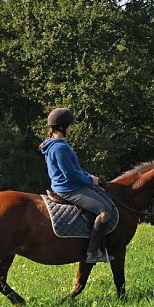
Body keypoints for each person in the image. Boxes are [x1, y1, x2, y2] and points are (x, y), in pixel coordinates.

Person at [40, 107, 114, 263]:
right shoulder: (59, 147)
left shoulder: (52, 144)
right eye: (70, 125)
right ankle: (93, 253)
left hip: (67, 185)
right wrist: (88, 181)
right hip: (69, 189)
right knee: (105, 211)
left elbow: (75, 169)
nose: (72, 128)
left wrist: (90, 176)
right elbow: (71, 174)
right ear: (61, 127)